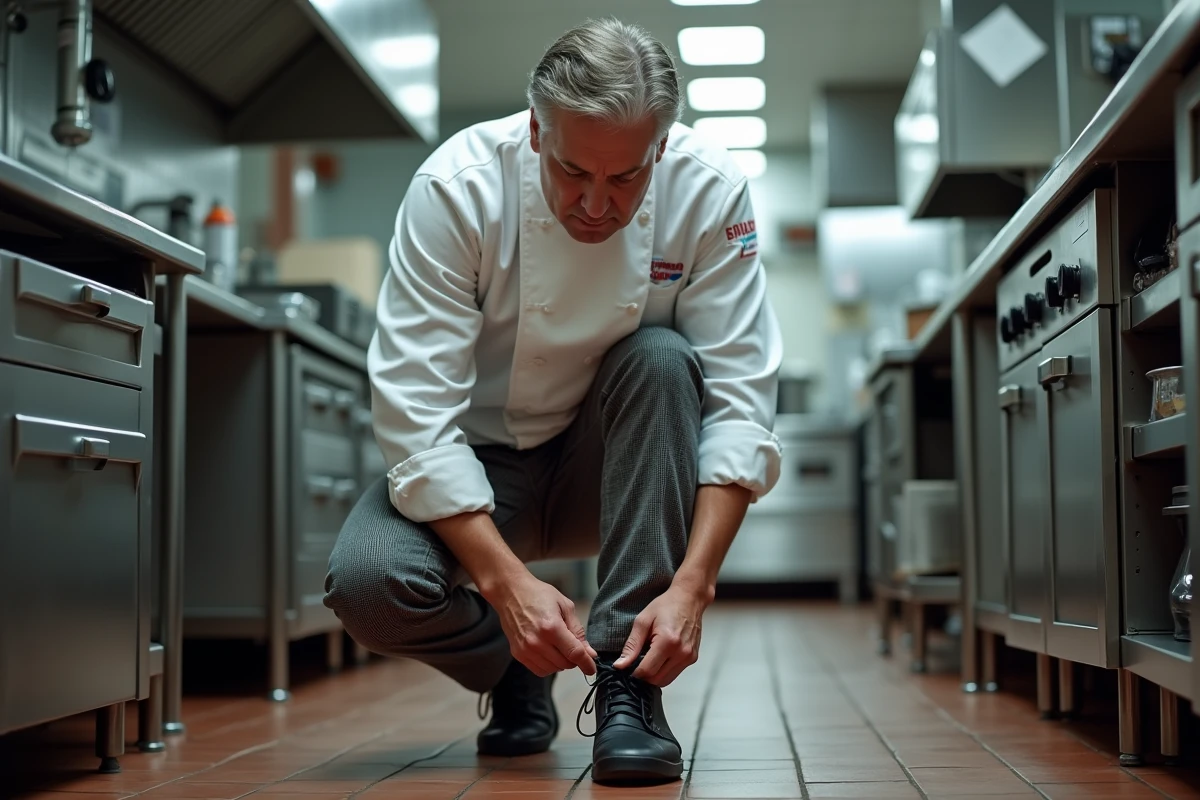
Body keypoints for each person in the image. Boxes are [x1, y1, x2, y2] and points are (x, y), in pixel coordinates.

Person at [323, 16, 782, 785]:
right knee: (369, 586)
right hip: (480, 467)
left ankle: (628, 685)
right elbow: (418, 411)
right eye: (574, 171)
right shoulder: (457, 189)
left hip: (608, 469)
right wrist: (508, 594)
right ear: (537, 132)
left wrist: (695, 585)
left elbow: (738, 404)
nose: (598, 204)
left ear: (661, 148)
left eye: (626, 177)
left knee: (664, 359)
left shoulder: (711, 190)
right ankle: (514, 668)